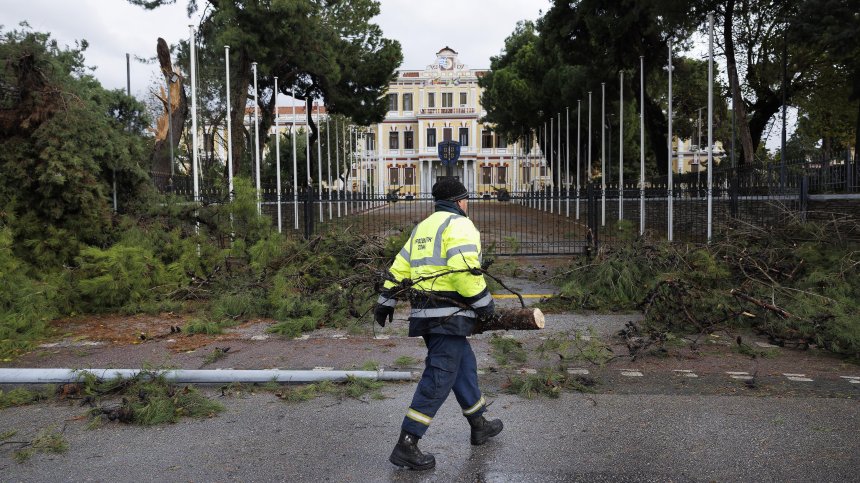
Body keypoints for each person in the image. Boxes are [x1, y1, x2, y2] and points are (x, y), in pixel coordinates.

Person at [374, 177, 503, 471]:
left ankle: (479, 423)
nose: (467, 205)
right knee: (440, 375)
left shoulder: (424, 227)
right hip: (450, 315)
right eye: (466, 200)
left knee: (463, 365)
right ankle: (407, 442)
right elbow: (463, 272)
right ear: (460, 201)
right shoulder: (460, 225)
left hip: (426, 314)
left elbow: (400, 265)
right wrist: (486, 306)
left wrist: (386, 300)